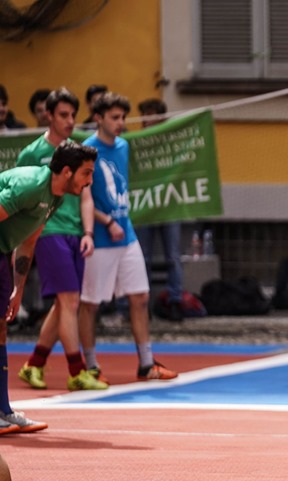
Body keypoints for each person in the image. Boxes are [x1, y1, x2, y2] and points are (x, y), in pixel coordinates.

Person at [0, 139, 99, 432]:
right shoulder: (30, 186)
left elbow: (29, 240)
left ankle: (4, 410)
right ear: (67, 172)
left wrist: (18, 288)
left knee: (1, 328)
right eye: (86, 174)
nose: (89, 181)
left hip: (3, 251)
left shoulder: (55, 196)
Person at [79, 92, 178, 382]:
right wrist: (106, 221)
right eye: (114, 117)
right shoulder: (86, 149)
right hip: (99, 239)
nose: (121, 123)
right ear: (98, 118)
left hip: (127, 235)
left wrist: (120, 220)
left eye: (123, 117)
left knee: (140, 297)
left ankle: (146, 363)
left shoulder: (123, 146)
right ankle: (91, 366)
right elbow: (81, 196)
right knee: (90, 304)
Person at [17, 88, 107, 392]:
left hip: (74, 234)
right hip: (48, 232)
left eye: (73, 115)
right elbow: (20, 197)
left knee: (65, 302)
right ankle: (76, 370)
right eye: (64, 115)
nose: (70, 121)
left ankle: (34, 364)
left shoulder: (78, 150)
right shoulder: (31, 153)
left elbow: (86, 196)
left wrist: (89, 233)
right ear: (49, 116)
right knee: (68, 301)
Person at [134, 98, 183, 321]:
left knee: (173, 256)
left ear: (162, 117)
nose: (148, 121)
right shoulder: (134, 144)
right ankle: (145, 304)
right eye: (145, 116)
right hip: (145, 207)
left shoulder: (173, 142)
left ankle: (175, 301)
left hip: (169, 206)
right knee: (143, 258)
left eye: (152, 115)